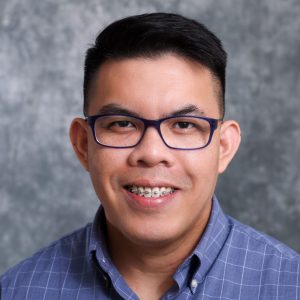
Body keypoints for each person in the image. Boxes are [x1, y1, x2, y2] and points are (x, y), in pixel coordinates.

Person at [1, 12, 299, 300]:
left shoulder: (290, 286)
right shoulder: (17, 291)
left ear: (223, 147)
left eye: (183, 125)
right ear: (83, 144)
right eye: (122, 124)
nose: (152, 153)